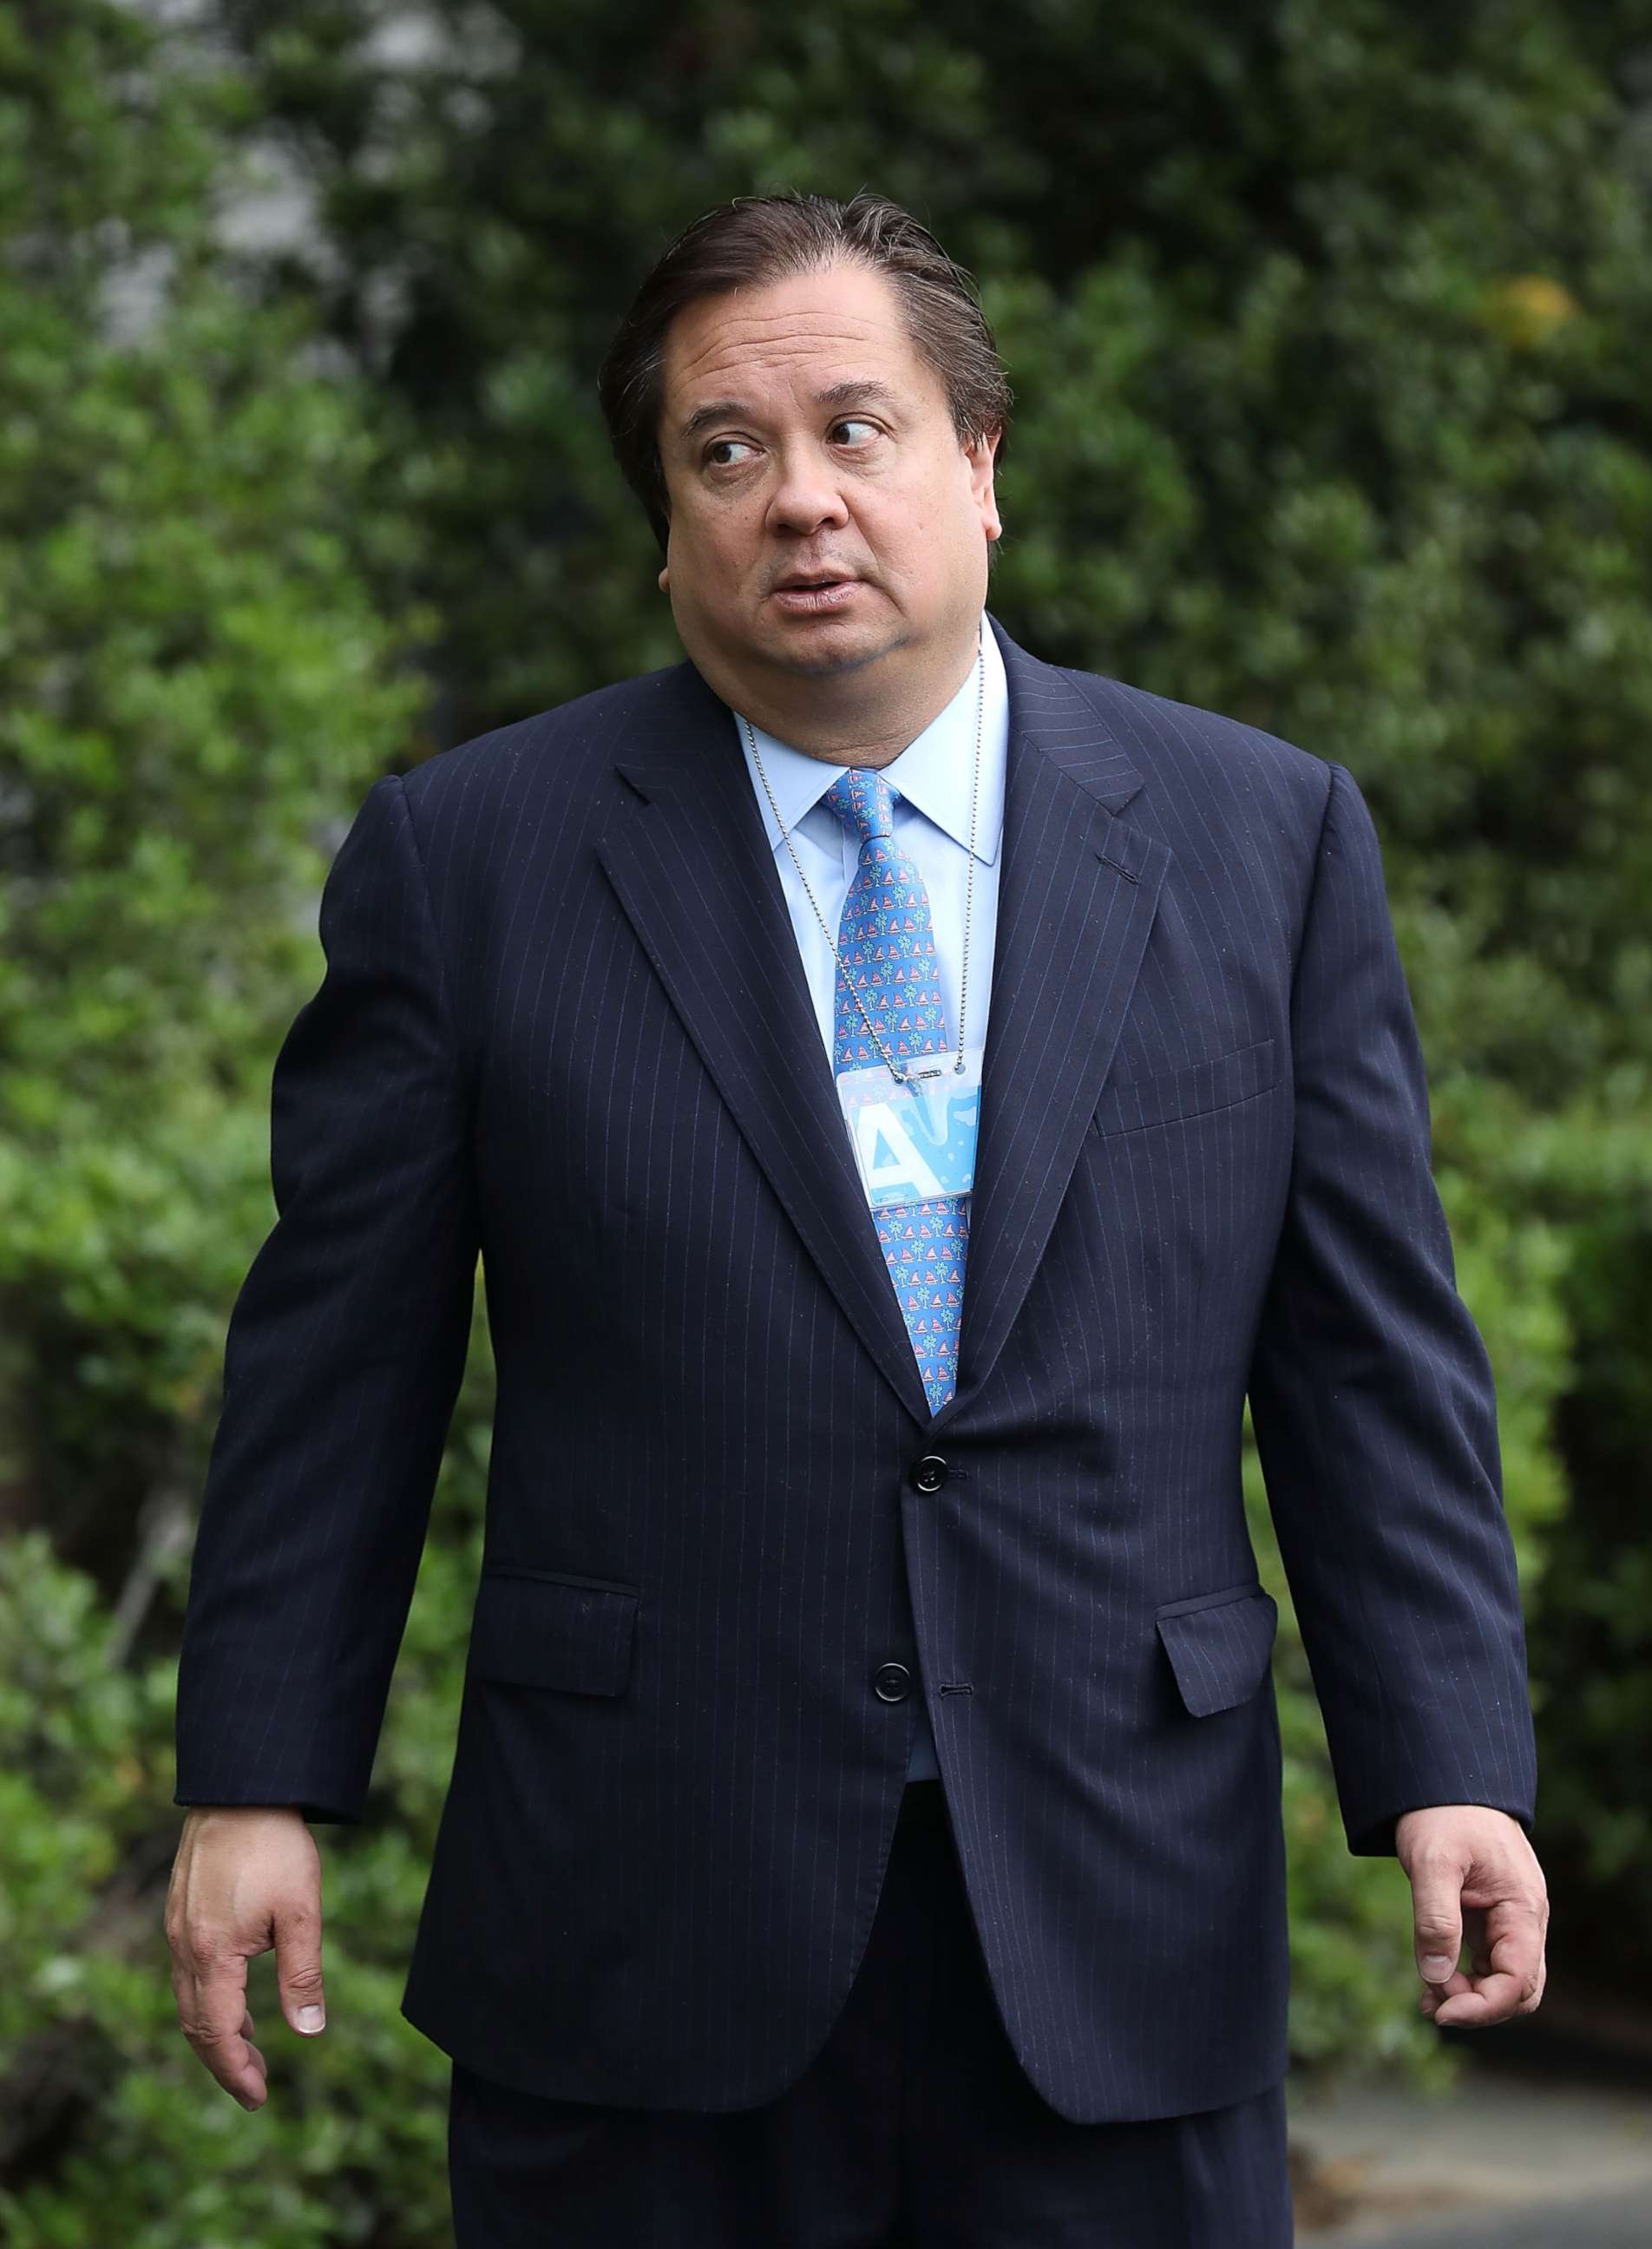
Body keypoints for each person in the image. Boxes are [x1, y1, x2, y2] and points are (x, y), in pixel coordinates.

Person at [166, 189, 1548, 2246]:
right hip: (644, 1908)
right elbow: (333, 1367)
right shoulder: (476, 864)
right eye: (725, 454)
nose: (796, 499)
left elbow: (1367, 1355)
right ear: (663, 525)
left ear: (981, 469)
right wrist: (255, 1777)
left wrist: (1448, 1752)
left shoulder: (1260, 840)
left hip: (1116, 1899)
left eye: (855, 430)